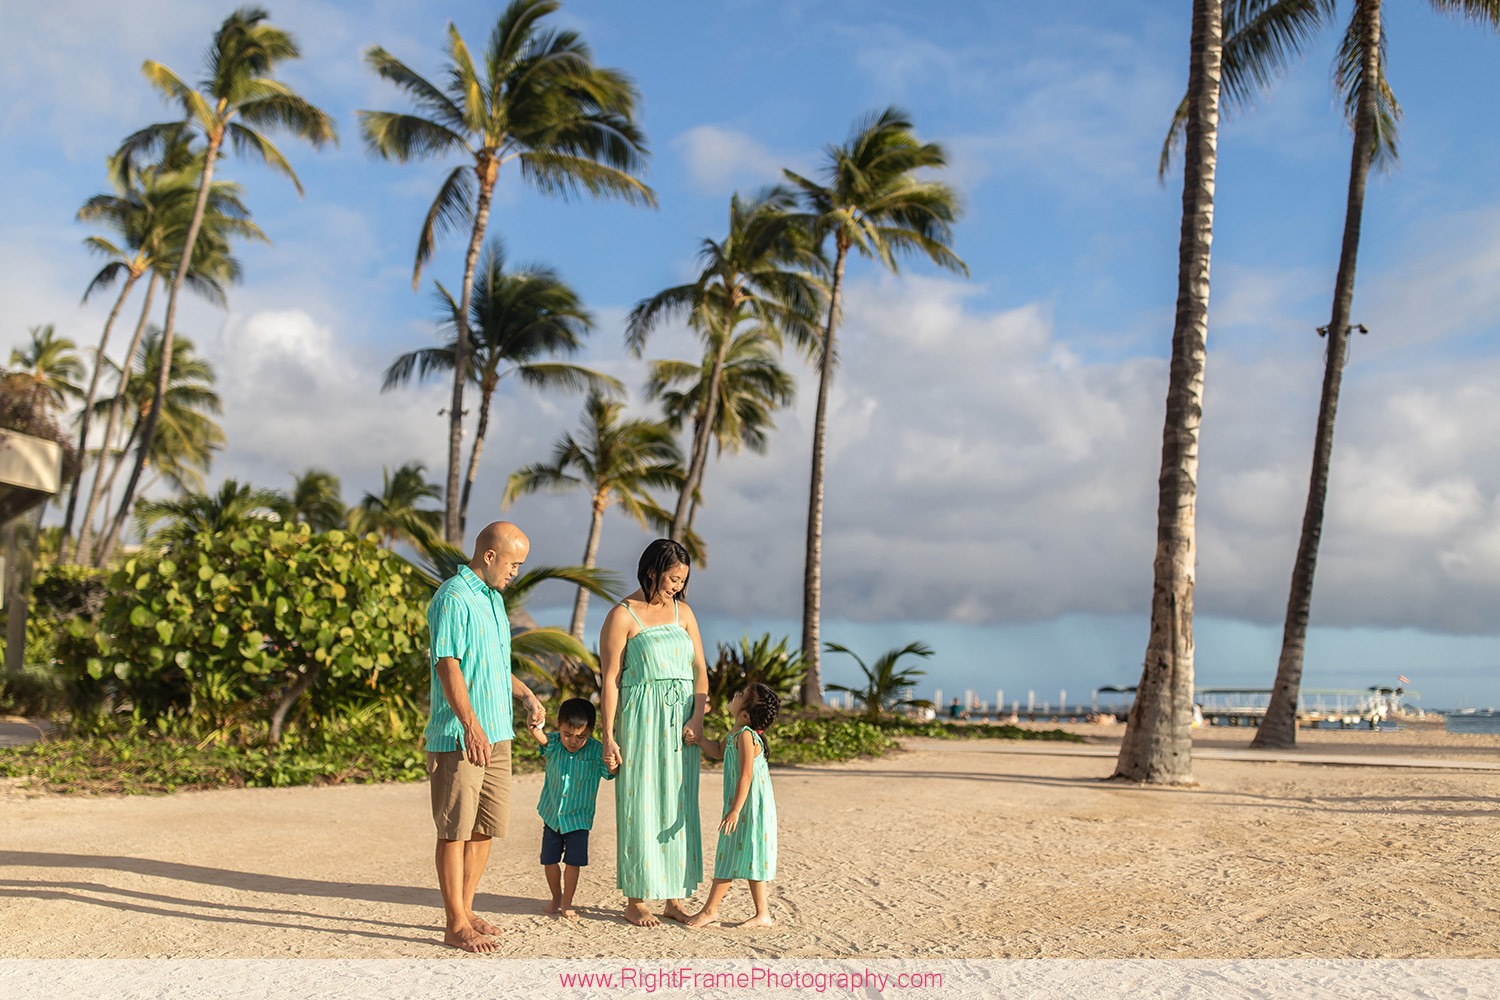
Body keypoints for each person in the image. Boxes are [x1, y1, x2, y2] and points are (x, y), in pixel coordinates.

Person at [423, 521, 546, 953]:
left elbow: (491, 664)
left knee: (483, 829)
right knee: (454, 830)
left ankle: (467, 909)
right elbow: (449, 665)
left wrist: (527, 694)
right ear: (490, 556)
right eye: (513, 563)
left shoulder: (493, 599)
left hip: (497, 734)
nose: (516, 572)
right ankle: (454, 923)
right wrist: (471, 725)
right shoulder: (453, 598)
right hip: (460, 736)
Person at [598, 538, 709, 928]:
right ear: (651, 570)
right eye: (672, 578)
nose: (676, 586)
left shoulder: (684, 613)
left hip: (681, 722)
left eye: (682, 580)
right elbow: (609, 680)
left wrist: (697, 717)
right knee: (641, 804)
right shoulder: (622, 615)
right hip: (640, 719)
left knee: (677, 805)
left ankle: (674, 897)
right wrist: (609, 734)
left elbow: (700, 671)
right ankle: (636, 898)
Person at [684, 682, 780, 929]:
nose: (736, 694)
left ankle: (710, 910)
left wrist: (735, 809)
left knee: (730, 851)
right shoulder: (736, 733)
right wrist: (700, 740)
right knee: (748, 853)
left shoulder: (747, 736)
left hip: (750, 806)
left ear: (745, 714)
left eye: (741, 694)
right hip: (743, 803)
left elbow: (746, 775)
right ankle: (763, 914)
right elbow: (718, 752)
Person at [526, 697, 617, 921]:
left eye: (581, 736)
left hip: (579, 819)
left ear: (591, 731)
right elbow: (538, 735)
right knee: (549, 860)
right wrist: (535, 720)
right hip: (552, 814)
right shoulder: (555, 742)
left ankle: (567, 902)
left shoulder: (597, 750)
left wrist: (612, 763)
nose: (573, 741)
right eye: (568, 734)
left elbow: (610, 774)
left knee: (573, 863)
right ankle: (556, 897)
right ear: (559, 727)